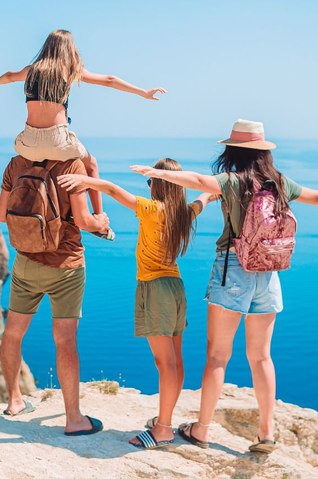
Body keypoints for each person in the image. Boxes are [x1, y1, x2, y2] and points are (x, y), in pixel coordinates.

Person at [130, 119, 318, 453]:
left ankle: (202, 430)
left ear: (232, 150)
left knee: (218, 357)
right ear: (264, 152)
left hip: (233, 270)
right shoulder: (278, 182)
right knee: (261, 357)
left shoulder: (232, 180)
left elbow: (198, 180)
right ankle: (266, 434)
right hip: (270, 272)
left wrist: (159, 174)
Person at [58, 159, 215, 449]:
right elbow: (200, 201)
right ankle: (164, 419)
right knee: (176, 361)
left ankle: (163, 429)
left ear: (158, 184)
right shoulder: (184, 213)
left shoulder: (153, 209)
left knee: (164, 363)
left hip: (154, 288)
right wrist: (209, 194)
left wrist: (86, 182)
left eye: (151, 182)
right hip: (176, 288)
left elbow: (116, 192)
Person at [0, 29, 166, 240]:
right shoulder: (69, 70)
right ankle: (99, 219)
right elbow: (109, 79)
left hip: (28, 142)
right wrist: (143, 92)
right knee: (92, 163)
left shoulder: (31, 70)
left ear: (47, 47)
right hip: (58, 141)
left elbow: (9, 76)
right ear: (69, 50)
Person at [0, 153, 109, 436]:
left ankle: (14, 401)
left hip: (26, 262)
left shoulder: (17, 163)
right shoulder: (71, 166)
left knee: (12, 333)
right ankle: (73, 419)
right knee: (65, 340)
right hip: (66, 266)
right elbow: (84, 221)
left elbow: (1, 215)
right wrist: (101, 221)